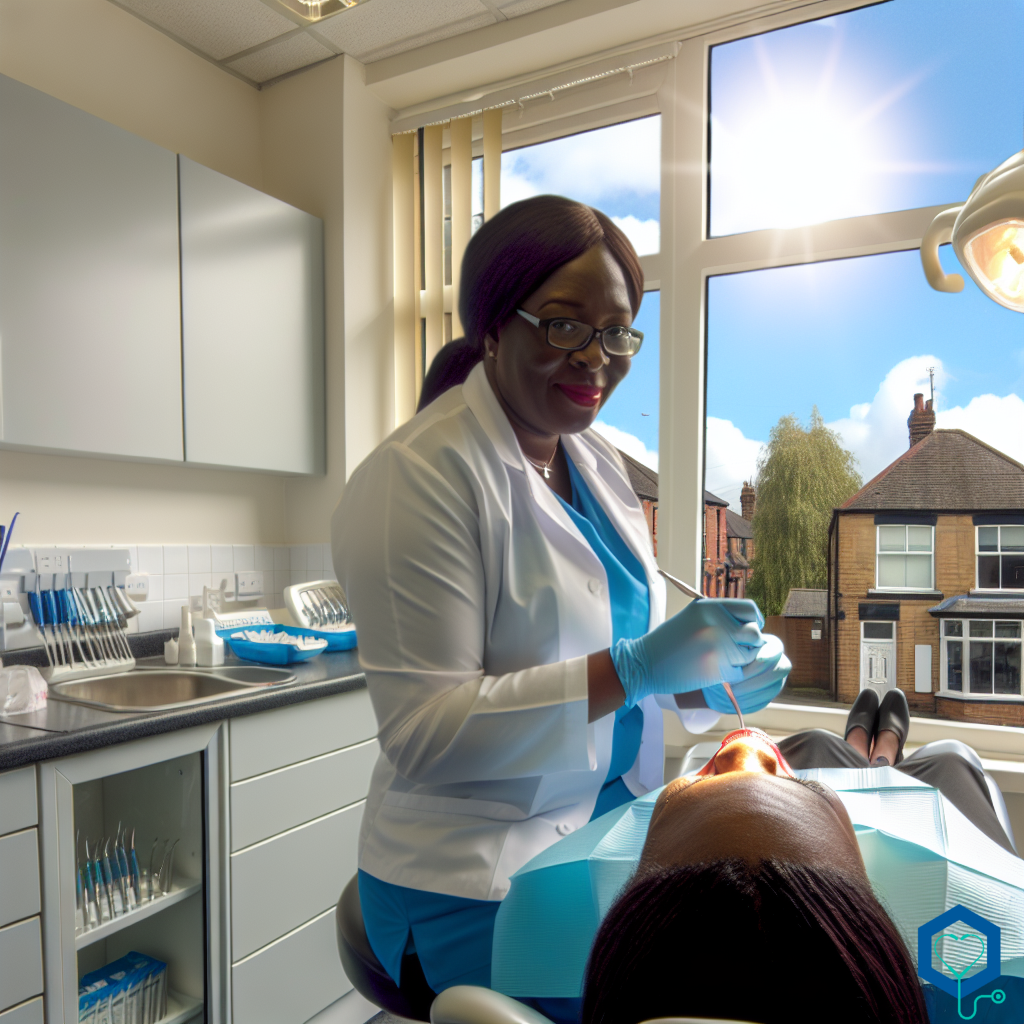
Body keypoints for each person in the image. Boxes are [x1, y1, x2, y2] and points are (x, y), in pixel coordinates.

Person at [331, 194, 791, 1002]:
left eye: (617, 333)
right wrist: (640, 666)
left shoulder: (598, 463)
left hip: (609, 831)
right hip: (475, 872)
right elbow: (427, 735)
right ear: (494, 326)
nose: (597, 357)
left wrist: (706, 678)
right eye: (564, 324)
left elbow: (625, 663)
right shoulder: (419, 476)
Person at [489, 692, 1022, 1024]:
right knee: (953, 758)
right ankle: (880, 756)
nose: (748, 746)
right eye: (798, 785)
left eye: (708, 775)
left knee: (813, 744)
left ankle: (859, 748)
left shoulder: (545, 951)